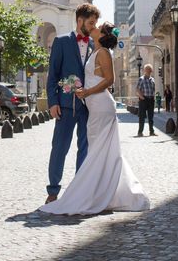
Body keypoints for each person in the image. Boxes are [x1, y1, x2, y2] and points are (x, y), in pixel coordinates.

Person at [39, 22, 150, 215]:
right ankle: (98, 190)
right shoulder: (95, 50)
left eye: (98, 26)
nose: (94, 27)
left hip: (100, 106)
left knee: (98, 150)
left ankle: (93, 192)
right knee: (99, 150)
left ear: (102, 34)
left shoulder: (103, 52)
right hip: (93, 105)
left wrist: (87, 91)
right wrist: (71, 87)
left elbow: (110, 80)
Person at [45, 3, 100, 204]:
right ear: (79, 21)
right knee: (60, 147)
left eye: (95, 22)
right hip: (65, 105)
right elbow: (53, 76)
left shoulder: (96, 45)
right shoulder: (61, 42)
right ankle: (53, 191)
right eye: (91, 22)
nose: (94, 26)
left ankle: (79, 190)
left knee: (85, 148)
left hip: (89, 106)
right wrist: (53, 102)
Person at [136, 64, 157, 136]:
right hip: (144, 100)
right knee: (142, 117)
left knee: (151, 117)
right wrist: (142, 97)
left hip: (151, 99)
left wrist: (153, 97)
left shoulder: (152, 79)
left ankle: (152, 132)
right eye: (147, 70)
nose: (149, 71)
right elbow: (138, 89)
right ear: (145, 70)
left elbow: (153, 89)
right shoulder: (141, 79)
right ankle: (140, 132)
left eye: (150, 70)